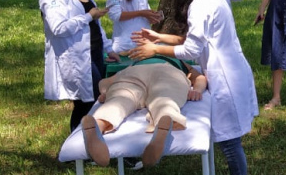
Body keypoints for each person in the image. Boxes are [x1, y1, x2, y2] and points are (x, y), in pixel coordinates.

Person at [130, 0, 258, 175]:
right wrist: (159, 36)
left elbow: (190, 49)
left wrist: (155, 49)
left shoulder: (201, 2)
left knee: (230, 142)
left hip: (227, 77)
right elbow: (197, 39)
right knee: (229, 141)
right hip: (226, 69)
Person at [39, 0, 119, 133]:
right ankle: (78, 146)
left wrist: (108, 48)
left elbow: (95, 24)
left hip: (94, 52)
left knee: (92, 101)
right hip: (75, 58)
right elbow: (58, 27)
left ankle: (85, 144)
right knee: (90, 102)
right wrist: (88, 16)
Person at [80, 58, 208, 167]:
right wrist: (197, 90)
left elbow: (104, 81)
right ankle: (165, 120)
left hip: (133, 73)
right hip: (170, 72)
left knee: (120, 99)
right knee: (165, 99)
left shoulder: (137, 60)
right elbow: (200, 77)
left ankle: (99, 123)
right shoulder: (180, 61)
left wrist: (105, 92)